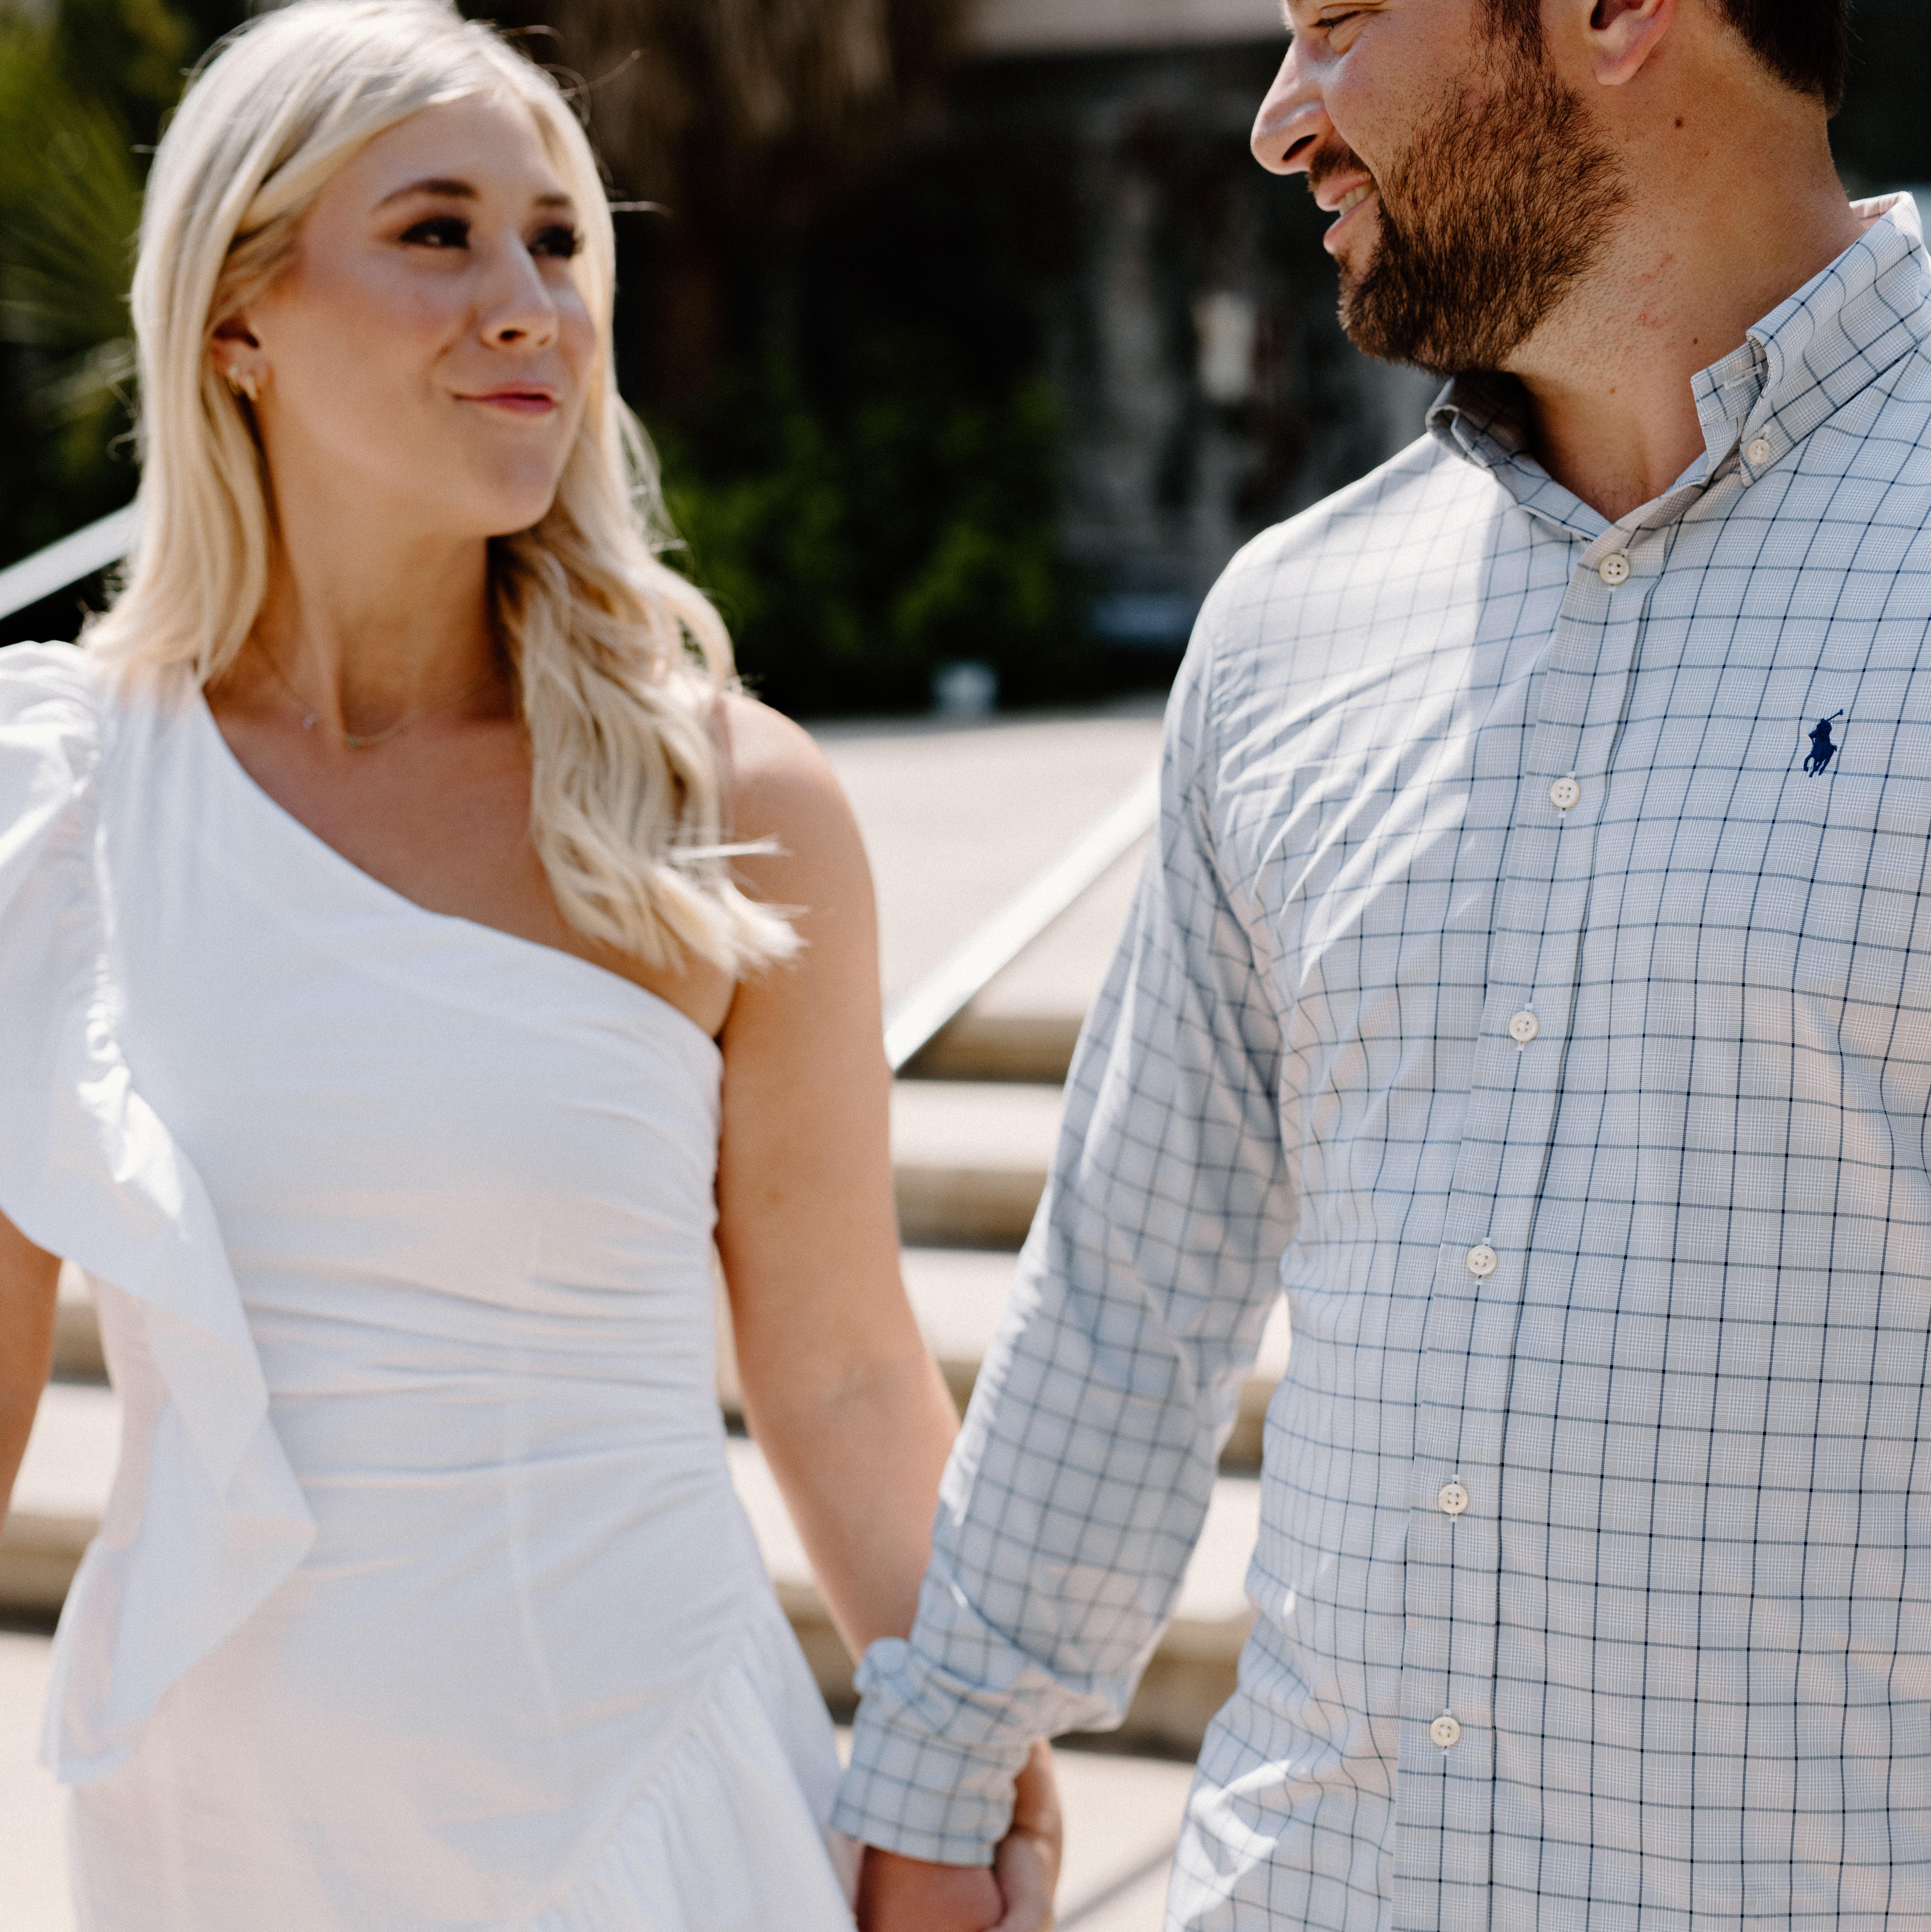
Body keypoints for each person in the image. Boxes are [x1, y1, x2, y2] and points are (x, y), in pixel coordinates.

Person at [840, 0, 1931, 1926]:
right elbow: (1133, 1279)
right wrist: (937, 1774)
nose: (1280, 122)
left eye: (1338, 21)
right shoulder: (1287, 628)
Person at [0, 4, 1063, 1926]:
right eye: (439, 233)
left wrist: (964, 1761)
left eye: (558, 242)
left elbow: (840, 1373)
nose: (530, 305)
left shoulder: (728, 801)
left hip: (652, 1808)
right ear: (235, 320)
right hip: (216, 1838)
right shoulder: (59, 806)